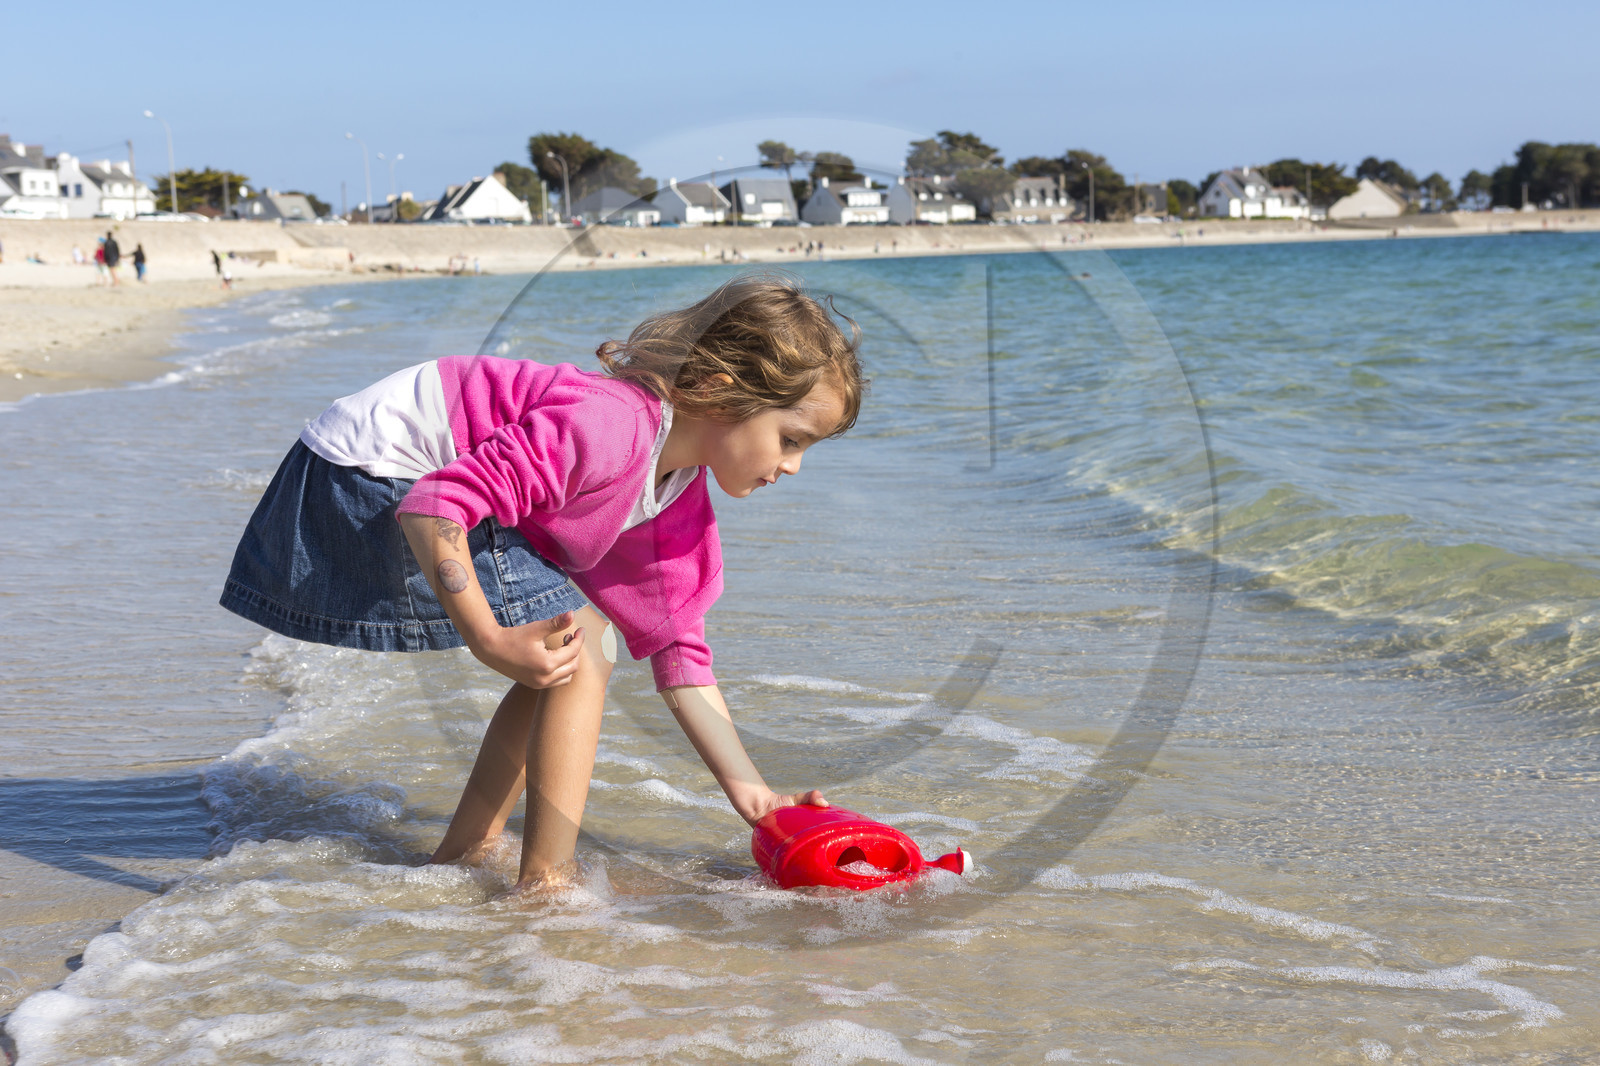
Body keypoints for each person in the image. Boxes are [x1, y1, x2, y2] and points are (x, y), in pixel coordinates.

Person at [219, 273, 866, 892]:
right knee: (585, 644)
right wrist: (489, 639)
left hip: (410, 489)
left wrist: (755, 797)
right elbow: (433, 507)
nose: (794, 466)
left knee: (561, 648)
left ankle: (466, 851)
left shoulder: (676, 504)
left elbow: (680, 650)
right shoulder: (609, 426)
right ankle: (545, 885)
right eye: (791, 439)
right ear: (722, 391)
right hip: (360, 477)